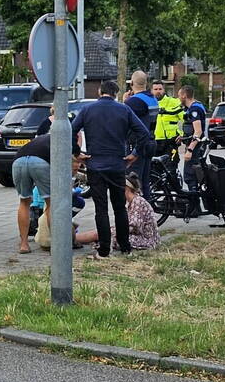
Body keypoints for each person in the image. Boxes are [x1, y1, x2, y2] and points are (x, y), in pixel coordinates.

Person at [71, 80, 152, 258]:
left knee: (101, 209)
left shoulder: (87, 110)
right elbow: (144, 134)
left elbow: (71, 130)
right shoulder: (124, 110)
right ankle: (125, 247)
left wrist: (77, 153)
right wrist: (134, 154)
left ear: (100, 91)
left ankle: (104, 250)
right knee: (119, 208)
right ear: (116, 93)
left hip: (95, 165)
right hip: (117, 165)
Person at [11, 133, 83, 254]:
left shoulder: (42, 138)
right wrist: (79, 155)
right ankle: (56, 245)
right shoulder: (63, 135)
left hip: (18, 161)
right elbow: (75, 151)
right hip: (39, 162)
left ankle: (24, 244)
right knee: (51, 203)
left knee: (24, 202)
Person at [75, 172, 160, 251]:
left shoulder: (138, 202)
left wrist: (114, 230)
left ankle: (72, 239)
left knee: (101, 234)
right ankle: (74, 239)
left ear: (126, 188)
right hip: (140, 235)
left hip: (145, 239)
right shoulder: (132, 201)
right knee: (102, 233)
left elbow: (133, 226)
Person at [123, 71, 159, 200]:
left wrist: (125, 102)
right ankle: (147, 212)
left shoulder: (134, 102)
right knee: (144, 182)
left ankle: (137, 214)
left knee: (132, 182)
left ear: (131, 83)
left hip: (137, 145)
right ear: (146, 83)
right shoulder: (152, 98)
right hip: (150, 142)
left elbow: (123, 119)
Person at [179, 84, 207, 196]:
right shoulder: (195, 106)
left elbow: (198, 131)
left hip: (195, 147)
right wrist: (184, 137)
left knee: (190, 175)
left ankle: (194, 205)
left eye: (179, 95)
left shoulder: (194, 109)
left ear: (185, 95)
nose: (178, 98)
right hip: (195, 144)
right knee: (193, 174)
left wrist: (190, 150)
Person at [152, 80, 184, 158]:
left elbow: (186, 119)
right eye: (155, 89)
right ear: (151, 91)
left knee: (171, 166)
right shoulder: (148, 103)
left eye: (160, 89)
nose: (158, 91)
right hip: (153, 141)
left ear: (164, 90)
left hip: (170, 141)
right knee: (153, 168)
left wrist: (182, 134)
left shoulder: (173, 102)